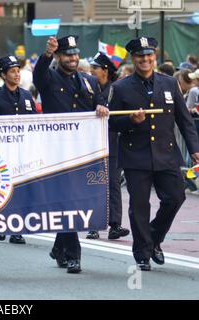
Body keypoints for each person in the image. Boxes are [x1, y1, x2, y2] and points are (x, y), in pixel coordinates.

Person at [108, 37, 199, 271]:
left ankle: (153, 238)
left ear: (154, 56)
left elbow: (185, 120)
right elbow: (112, 122)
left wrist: (195, 149)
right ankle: (142, 252)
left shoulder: (169, 83)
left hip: (166, 153)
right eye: (140, 56)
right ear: (133, 58)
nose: (145, 60)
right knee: (139, 205)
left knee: (176, 197)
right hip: (135, 156)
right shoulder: (120, 87)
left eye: (149, 55)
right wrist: (130, 119)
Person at [33, 35, 108, 274]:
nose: (73, 58)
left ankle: (59, 247)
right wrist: (46, 55)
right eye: (67, 54)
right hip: (57, 151)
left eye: (75, 54)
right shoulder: (49, 78)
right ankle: (74, 255)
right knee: (69, 200)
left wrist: (101, 105)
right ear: (58, 56)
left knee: (74, 200)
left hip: (84, 152)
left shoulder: (89, 80)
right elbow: (38, 74)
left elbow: (101, 100)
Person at [0, 55, 37, 245]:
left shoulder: (25, 95)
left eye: (18, 71)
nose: (17, 74)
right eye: (12, 71)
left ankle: (17, 229)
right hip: (2, 150)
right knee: (1, 187)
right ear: (3, 74)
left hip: (22, 149)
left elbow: (33, 120)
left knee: (20, 187)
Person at [87, 53, 130, 240]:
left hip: (112, 142)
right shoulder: (88, 88)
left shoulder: (116, 89)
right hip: (92, 143)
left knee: (113, 184)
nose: (91, 71)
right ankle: (93, 225)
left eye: (95, 68)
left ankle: (115, 225)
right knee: (93, 182)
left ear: (105, 70)